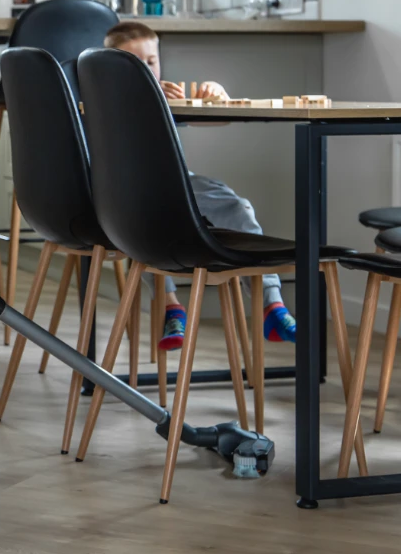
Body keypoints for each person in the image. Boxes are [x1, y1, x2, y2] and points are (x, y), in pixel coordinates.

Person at [102, 22, 297, 351]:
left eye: (150, 61)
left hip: (176, 183)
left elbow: (217, 118)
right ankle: (170, 305)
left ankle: (272, 305)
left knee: (237, 207)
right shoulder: (103, 96)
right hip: (126, 193)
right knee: (146, 220)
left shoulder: (164, 93)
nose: (145, 69)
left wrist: (215, 95)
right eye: (132, 63)